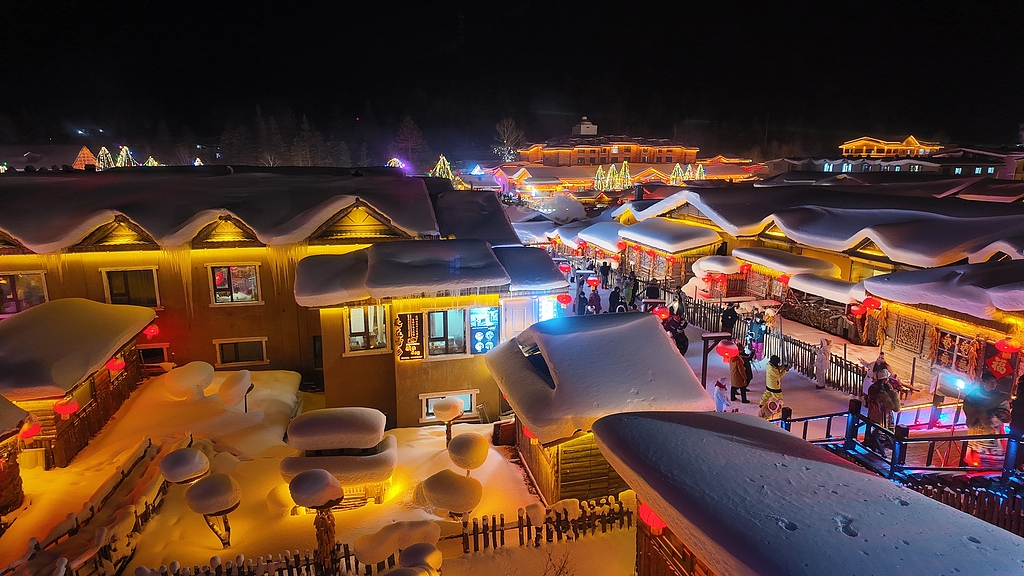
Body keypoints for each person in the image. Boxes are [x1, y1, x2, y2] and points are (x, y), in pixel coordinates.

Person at [963, 375, 1011, 463]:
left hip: (995, 431)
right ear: (983, 383)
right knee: (976, 458)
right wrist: (978, 414)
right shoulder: (972, 397)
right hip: (977, 430)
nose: (993, 385)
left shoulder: (1000, 397)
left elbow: (1005, 414)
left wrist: (991, 417)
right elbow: (969, 411)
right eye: (990, 382)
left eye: (995, 382)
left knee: (996, 460)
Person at [864, 367, 901, 455]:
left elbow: (891, 399)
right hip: (879, 414)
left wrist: (894, 402)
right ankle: (878, 443)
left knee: (887, 428)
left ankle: (884, 441)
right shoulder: (875, 388)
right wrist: (890, 403)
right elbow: (879, 401)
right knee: (881, 429)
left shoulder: (886, 387)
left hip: (884, 413)